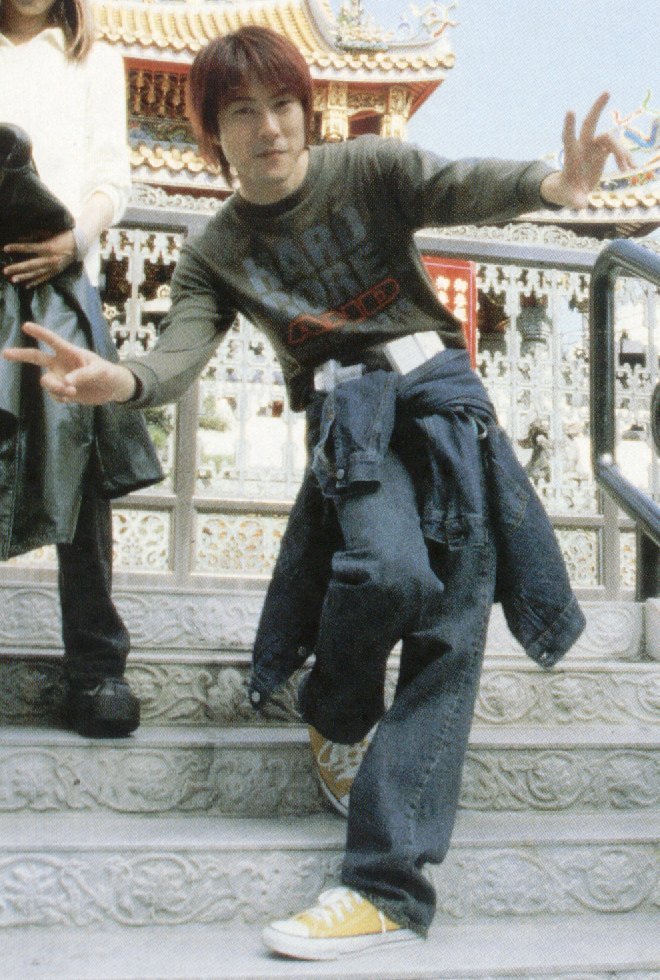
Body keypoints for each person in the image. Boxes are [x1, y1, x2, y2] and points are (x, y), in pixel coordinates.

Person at [3, 25, 634, 958]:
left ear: (308, 110)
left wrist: (555, 185)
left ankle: (385, 887)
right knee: (389, 570)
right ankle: (336, 713)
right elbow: (177, 354)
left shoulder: (369, 167)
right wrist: (120, 380)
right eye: (242, 112)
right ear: (212, 133)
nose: (270, 128)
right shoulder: (216, 249)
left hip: (445, 397)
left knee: (452, 628)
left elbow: (460, 183)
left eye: (284, 105)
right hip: (351, 416)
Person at [0, 0, 158, 736]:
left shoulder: (94, 59)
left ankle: (97, 667)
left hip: (61, 283)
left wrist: (73, 243)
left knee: (82, 461)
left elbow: (109, 179)